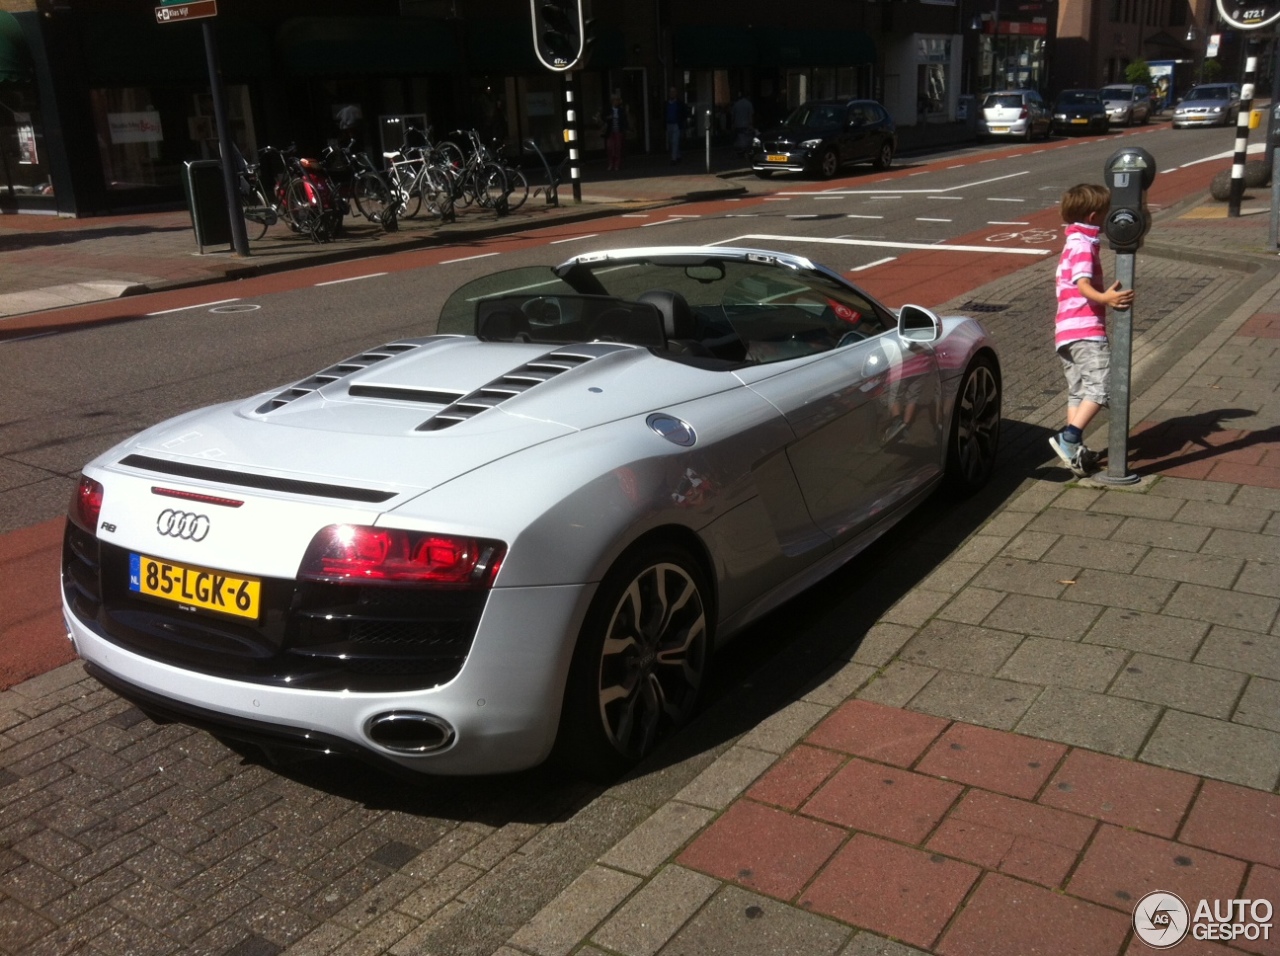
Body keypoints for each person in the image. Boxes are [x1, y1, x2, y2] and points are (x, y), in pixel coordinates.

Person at [1049, 183, 1134, 477]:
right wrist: (1105, 299)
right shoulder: (1083, 245)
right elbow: (1083, 285)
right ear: (1096, 216)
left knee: (1078, 392)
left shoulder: (1071, 243)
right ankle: (1069, 437)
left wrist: (1102, 292)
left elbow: (1076, 285)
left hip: (1066, 332)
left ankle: (1074, 452)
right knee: (1101, 389)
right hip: (1086, 331)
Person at [602, 92, 628, 171]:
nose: (617, 101)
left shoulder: (621, 110)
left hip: (618, 131)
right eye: (616, 100)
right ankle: (610, 164)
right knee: (610, 148)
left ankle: (617, 165)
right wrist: (608, 118)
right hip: (610, 132)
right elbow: (603, 118)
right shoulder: (608, 110)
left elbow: (624, 120)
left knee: (618, 148)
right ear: (612, 101)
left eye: (618, 100)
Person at [664, 87, 686, 164]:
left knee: (675, 141)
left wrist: (682, 122)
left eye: (674, 92)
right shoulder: (666, 104)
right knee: (671, 141)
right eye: (671, 92)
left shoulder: (679, 103)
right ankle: (678, 155)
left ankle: (673, 159)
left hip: (676, 124)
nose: (672, 93)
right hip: (669, 124)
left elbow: (683, 113)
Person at [731, 91, 753, 156]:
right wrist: (751, 124)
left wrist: (732, 124)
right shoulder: (749, 104)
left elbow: (733, 115)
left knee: (739, 138)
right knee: (746, 138)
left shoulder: (736, 104)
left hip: (737, 124)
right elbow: (750, 115)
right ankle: (745, 150)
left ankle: (739, 150)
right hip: (746, 124)